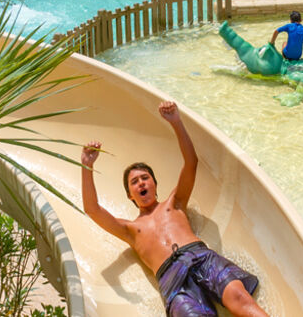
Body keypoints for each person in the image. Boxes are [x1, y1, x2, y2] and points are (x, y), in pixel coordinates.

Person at [81, 101, 269, 317]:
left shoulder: (175, 202)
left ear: (155, 184)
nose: (141, 183)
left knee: (239, 297)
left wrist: (176, 122)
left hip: (201, 257)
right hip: (170, 276)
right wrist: (87, 165)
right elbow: (92, 209)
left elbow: (191, 162)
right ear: (129, 195)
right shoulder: (130, 230)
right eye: (134, 182)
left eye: (145, 178)